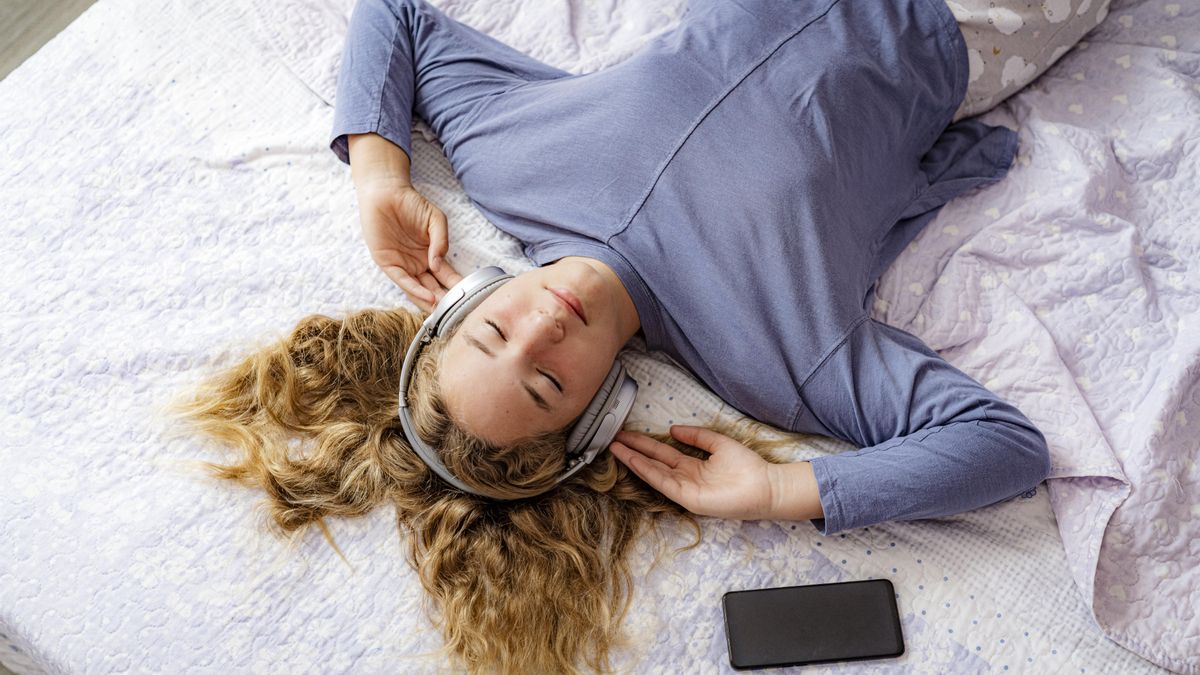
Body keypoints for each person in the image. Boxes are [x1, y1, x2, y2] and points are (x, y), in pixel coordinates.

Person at [182, 0, 1106, 671]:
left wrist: (378, 173)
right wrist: (784, 489)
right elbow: (1004, 447)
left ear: (468, 301)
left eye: (496, 329)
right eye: (546, 381)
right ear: (596, 413)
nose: (544, 324)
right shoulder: (770, 351)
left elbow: (400, 17)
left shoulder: (514, 157)